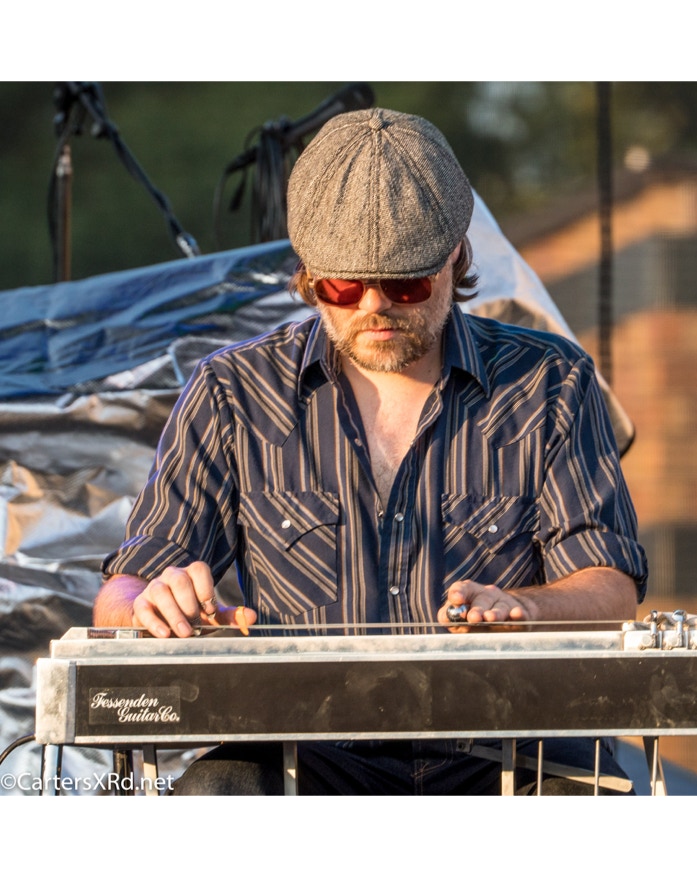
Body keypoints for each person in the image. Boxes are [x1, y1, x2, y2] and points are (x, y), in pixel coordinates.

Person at [94, 107, 648, 795]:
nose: (374, 307)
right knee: (218, 792)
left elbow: (609, 585)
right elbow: (121, 592)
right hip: (306, 753)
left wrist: (525, 608)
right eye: (345, 286)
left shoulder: (551, 382)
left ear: (455, 256)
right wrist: (149, 603)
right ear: (307, 273)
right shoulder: (231, 393)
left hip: (507, 747)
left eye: (407, 285)